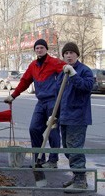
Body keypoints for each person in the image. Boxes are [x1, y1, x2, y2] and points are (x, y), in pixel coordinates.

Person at [4, 39, 66, 168]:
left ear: (46, 49)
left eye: (41, 48)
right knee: (34, 129)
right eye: (37, 48)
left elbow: (68, 73)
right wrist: (13, 95)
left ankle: (53, 161)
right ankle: (39, 158)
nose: (39, 50)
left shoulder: (55, 62)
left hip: (53, 102)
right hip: (41, 102)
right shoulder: (33, 65)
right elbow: (25, 81)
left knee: (52, 131)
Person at [54, 42, 93, 192]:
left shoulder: (84, 71)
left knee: (75, 149)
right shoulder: (62, 72)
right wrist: (54, 115)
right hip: (64, 117)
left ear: (77, 55)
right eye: (66, 53)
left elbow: (87, 87)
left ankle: (80, 181)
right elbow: (59, 96)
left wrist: (74, 74)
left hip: (78, 117)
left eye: (71, 53)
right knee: (68, 149)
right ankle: (77, 176)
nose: (68, 55)